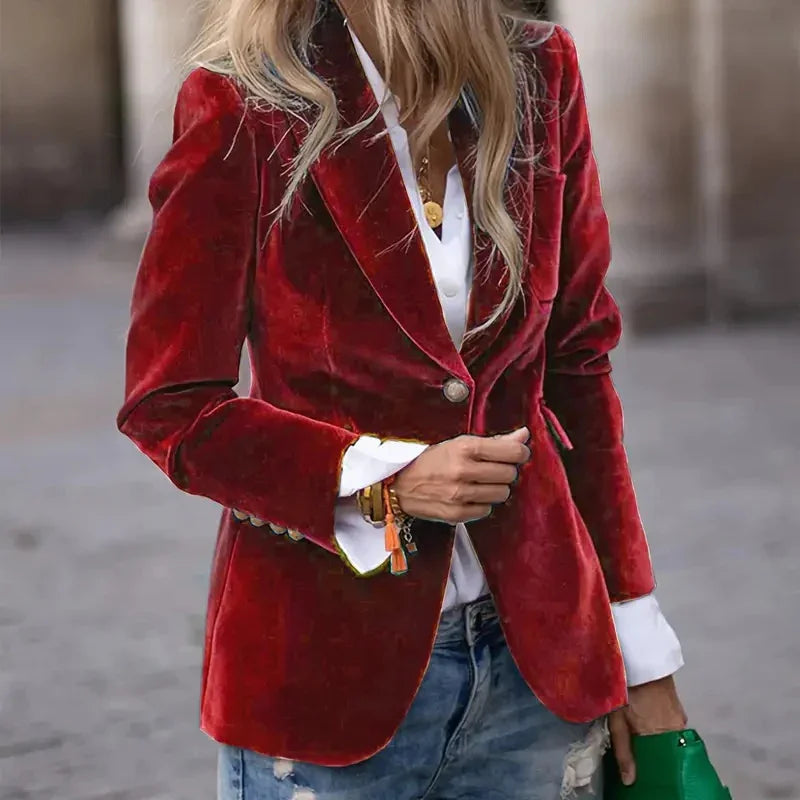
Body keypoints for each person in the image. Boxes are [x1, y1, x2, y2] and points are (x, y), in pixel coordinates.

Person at [117, 0, 688, 797]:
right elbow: (170, 403)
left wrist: (641, 649)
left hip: (539, 670)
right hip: (324, 677)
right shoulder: (245, 99)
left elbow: (579, 370)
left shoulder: (542, 73)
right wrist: (381, 480)